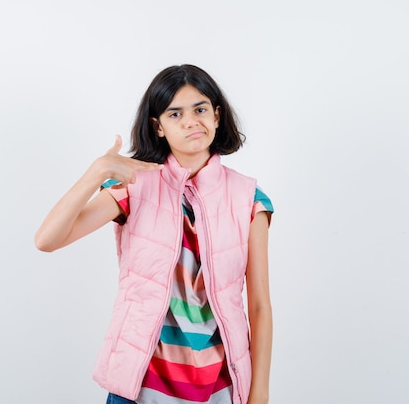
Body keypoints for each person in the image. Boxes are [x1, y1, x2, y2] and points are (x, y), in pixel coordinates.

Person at [35, 64, 273, 404]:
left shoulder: (249, 198)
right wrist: (98, 171)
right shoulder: (134, 186)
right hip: (140, 387)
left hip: (221, 387)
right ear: (157, 127)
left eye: (200, 109)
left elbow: (260, 306)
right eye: (175, 113)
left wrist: (259, 394)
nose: (191, 121)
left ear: (217, 116)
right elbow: (48, 239)